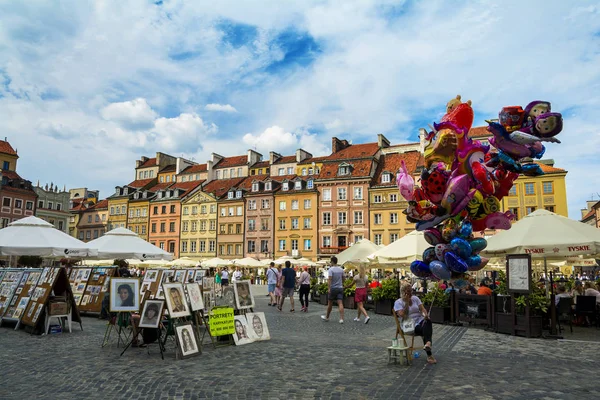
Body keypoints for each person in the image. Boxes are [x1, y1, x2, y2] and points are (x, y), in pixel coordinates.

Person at [394, 284, 436, 364]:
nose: (411, 293)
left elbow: (422, 309)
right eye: (408, 292)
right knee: (424, 330)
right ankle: (429, 353)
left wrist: (425, 315)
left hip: (420, 320)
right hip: (409, 324)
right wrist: (406, 303)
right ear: (403, 292)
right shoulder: (398, 302)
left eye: (411, 291)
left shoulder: (416, 299)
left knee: (428, 322)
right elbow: (402, 315)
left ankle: (428, 344)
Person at [321, 256, 345, 324]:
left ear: (332, 262)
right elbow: (344, 278)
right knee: (340, 303)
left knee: (330, 303)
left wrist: (329, 288)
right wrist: (342, 284)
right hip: (340, 288)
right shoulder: (341, 269)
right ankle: (341, 318)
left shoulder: (331, 270)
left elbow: (330, 279)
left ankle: (327, 317)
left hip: (333, 288)